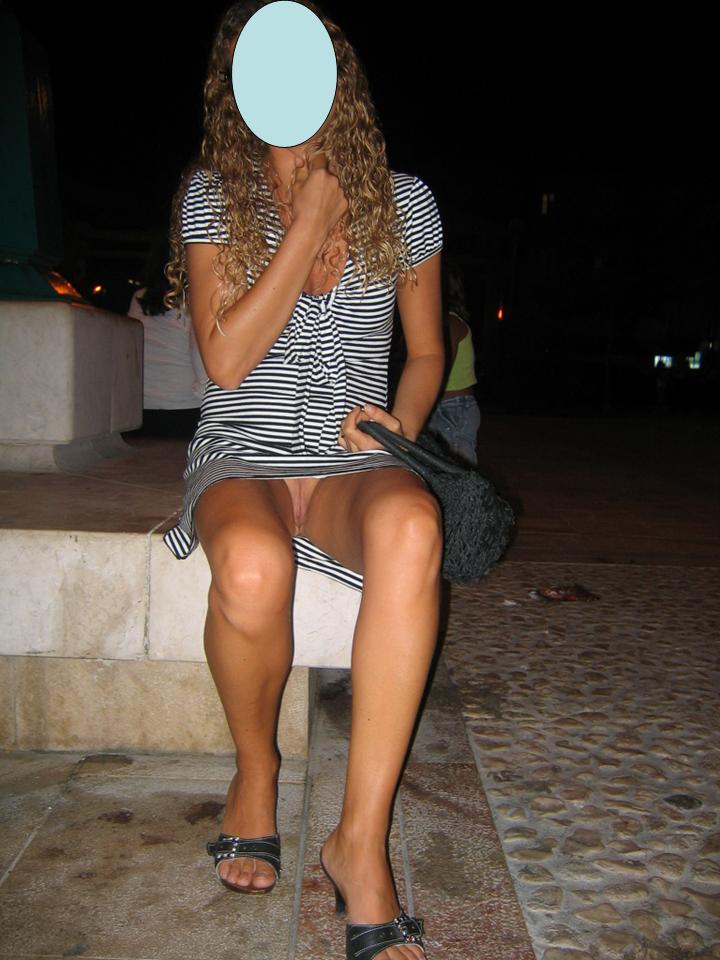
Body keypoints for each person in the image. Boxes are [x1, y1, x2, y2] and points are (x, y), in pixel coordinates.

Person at [163, 3, 443, 958]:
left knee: (414, 527)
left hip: (350, 459)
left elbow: (427, 353)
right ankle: (255, 769)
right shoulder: (213, 197)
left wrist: (403, 423)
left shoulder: (404, 202)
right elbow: (226, 360)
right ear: (233, 88)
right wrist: (310, 220)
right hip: (243, 450)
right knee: (250, 565)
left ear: (337, 73)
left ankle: (358, 845)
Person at [127, 238, 207, 438]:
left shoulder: (139, 297)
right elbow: (199, 356)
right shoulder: (193, 298)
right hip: (183, 411)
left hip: (141, 412)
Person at [425, 257, 481, 464]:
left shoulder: (451, 323)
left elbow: (440, 369)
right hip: (448, 407)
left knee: (456, 472)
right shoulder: (444, 323)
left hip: (454, 408)